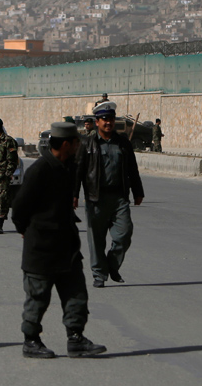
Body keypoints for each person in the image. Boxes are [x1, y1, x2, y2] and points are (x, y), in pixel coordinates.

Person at [12, 122, 106, 359]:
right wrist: (27, 230)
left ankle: (76, 339)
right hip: (41, 249)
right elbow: (19, 209)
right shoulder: (40, 170)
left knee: (76, 294)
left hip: (66, 248)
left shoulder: (69, 167)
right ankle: (31, 341)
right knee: (38, 298)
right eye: (76, 143)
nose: (79, 147)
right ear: (66, 144)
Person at [74, 101, 145, 288]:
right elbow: (78, 170)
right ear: (97, 122)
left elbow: (132, 169)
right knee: (96, 239)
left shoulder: (123, 143)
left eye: (111, 119)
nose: (108, 123)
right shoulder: (87, 143)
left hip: (119, 197)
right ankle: (99, 274)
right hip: (95, 198)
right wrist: (73, 194)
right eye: (104, 119)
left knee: (124, 233)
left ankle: (112, 265)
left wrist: (138, 191)